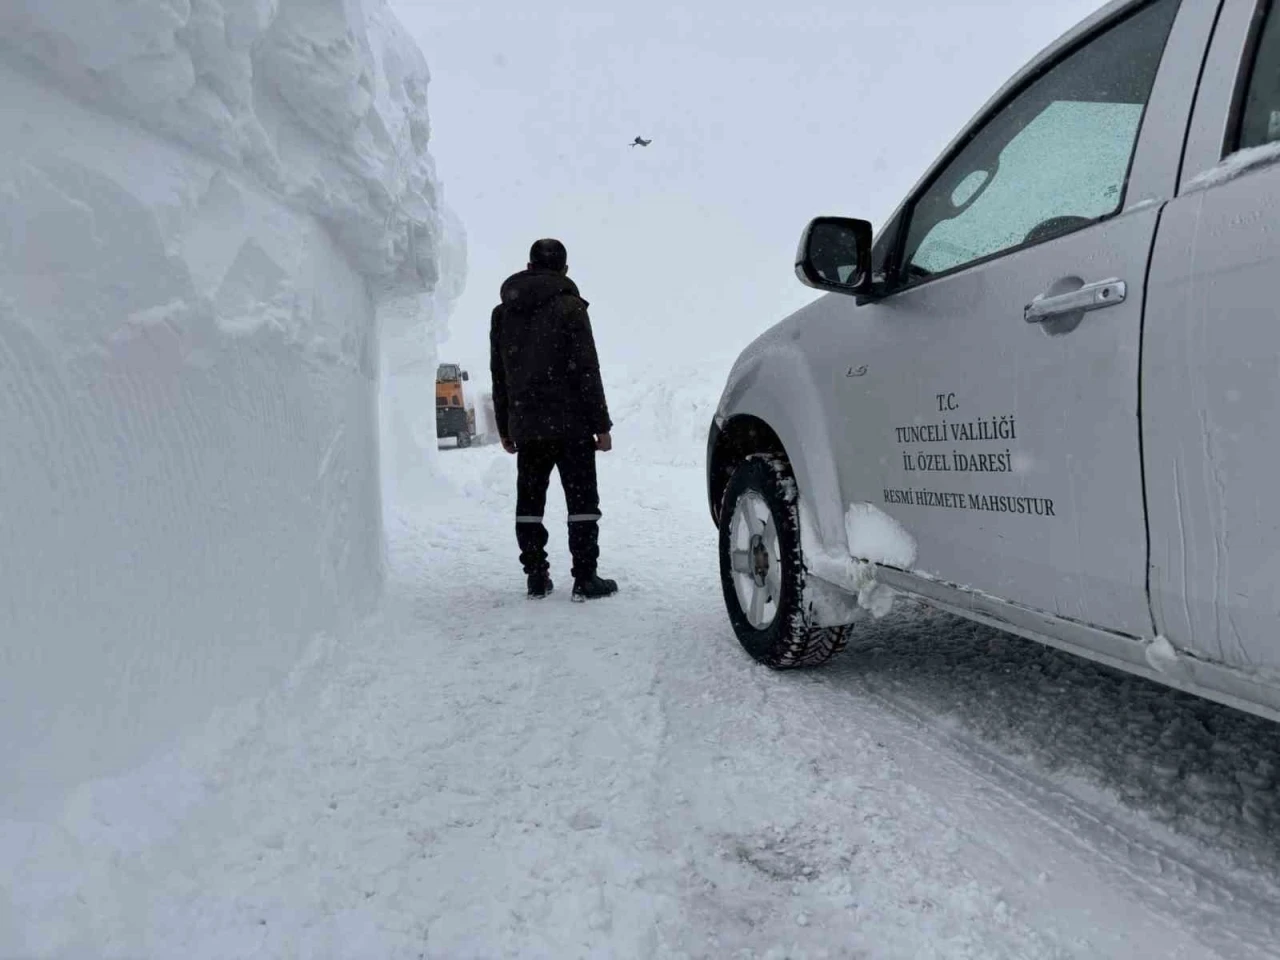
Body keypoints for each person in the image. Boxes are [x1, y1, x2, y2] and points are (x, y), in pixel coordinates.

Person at [490, 238, 619, 602]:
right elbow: (587, 369)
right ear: (564, 269)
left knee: (530, 503)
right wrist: (601, 425)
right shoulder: (570, 307)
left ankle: (536, 576)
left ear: (529, 266)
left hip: (529, 426)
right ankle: (585, 578)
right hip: (572, 424)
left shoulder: (503, 312)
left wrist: (505, 426)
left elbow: (499, 373)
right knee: (582, 503)